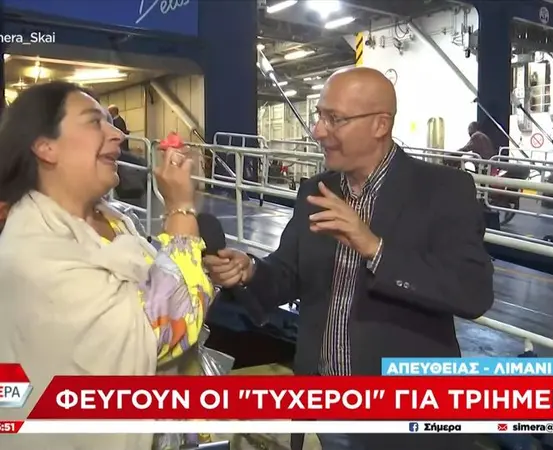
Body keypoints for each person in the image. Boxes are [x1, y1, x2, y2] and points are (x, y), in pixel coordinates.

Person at [203, 67, 494, 450]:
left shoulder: (442, 189)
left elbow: (473, 292)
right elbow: (288, 273)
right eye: (319, 116)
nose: (318, 131)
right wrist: (250, 270)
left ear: (380, 125)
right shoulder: (317, 190)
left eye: (334, 119)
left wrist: (374, 248)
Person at [0, 81, 214, 450]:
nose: (117, 134)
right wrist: (180, 209)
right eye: (93, 122)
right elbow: (165, 330)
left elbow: (160, 286)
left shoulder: (115, 221)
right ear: (45, 146)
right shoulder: (34, 254)